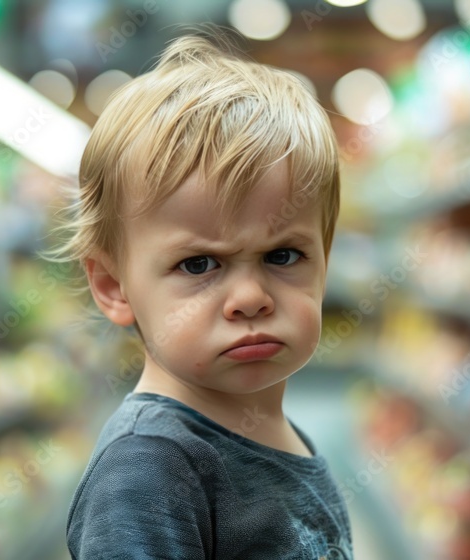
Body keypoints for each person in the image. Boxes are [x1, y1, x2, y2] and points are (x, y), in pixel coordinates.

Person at [63, 31, 351, 559]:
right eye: (198, 264)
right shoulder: (148, 472)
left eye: (283, 255)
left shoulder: (272, 430)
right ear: (113, 286)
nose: (250, 298)